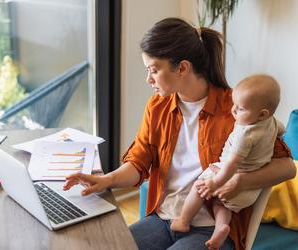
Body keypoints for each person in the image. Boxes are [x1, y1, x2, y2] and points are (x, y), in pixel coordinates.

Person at [63, 18, 295, 250]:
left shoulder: (237, 109)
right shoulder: (158, 107)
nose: (148, 79)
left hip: (214, 228)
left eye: (154, 70)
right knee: (109, 246)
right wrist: (107, 180)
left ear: (182, 67)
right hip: (164, 219)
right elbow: (139, 162)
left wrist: (239, 180)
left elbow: (287, 167)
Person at [171, 75, 284, 249]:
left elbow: (232, 164)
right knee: (221, 204)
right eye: (234, 105)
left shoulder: (245, 134)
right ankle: (221, 227)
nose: (233, 111)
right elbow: (281, 129)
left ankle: (183, 220)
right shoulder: (272, 123)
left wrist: (215, 183)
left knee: (199, 186)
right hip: (249, 192)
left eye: (240, 109)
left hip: (232, 177)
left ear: (262, 114)